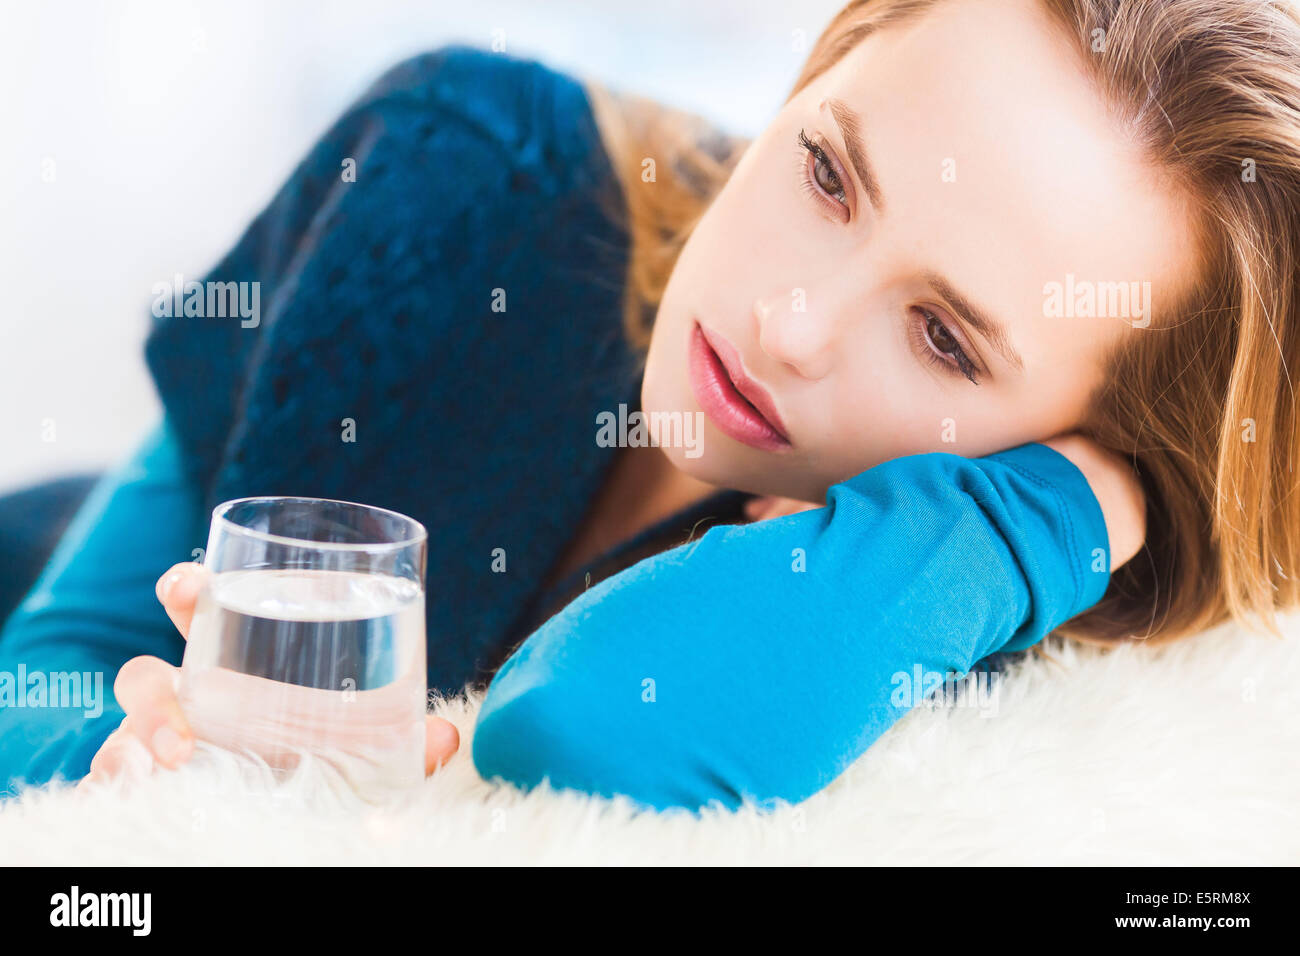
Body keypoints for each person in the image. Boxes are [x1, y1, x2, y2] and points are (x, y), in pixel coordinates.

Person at [3, 0, 1298, 813]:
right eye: (830, 173)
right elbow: (40, 688)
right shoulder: (456, 165)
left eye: (946, 339)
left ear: (1072, 448)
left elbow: (585, 727)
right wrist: (177, 765)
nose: (788, 326)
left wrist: (1053, 513)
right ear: (808, 74)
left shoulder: (934, 577)